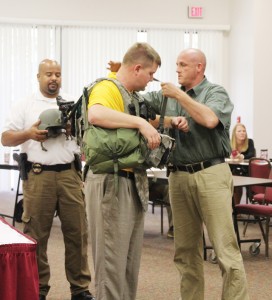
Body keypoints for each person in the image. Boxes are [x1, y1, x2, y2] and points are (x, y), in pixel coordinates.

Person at [143, 48, 250, 300]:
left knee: (225, 249)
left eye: (182, 65)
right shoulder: (166, 96)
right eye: (176, 64)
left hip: (210, 173)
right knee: (185, 251)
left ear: (199, 67)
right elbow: (136, 103)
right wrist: (119, 75)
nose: (177, 69)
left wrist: (180, 96)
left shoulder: (215, 92)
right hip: (178, 177)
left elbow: (210, 119)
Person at [84, 42, 175, 300]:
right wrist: (140, 124)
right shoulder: (107, 87)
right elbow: (96, 114)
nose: (151, 81)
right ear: (137, 68)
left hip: (131, 179)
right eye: (150, 74)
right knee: (111, 265)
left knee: (128, 264)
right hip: (110, 181)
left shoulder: (130, 95)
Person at [1, 59, 95, 300]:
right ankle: (38, 289)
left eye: (58, 74)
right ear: (38, 76)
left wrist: (75, 130)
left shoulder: (72, 104)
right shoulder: (25, 104)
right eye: (49, 74)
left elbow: (88, 138)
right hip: (38, 175)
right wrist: (29, 134)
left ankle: (80, 289)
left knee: (78, 232)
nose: (54, 78)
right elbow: (6, 138)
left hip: (70, 176)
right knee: (36, 235)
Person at [230, 123, 256, 204]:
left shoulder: (250, 141)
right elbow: (227, 155)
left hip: (246, 171)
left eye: (244, 131)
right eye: (239, 131)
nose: (242, 133)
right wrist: (232, 157)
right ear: (235, 133)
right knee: (234, 183)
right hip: (233, 170)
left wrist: (242, 156)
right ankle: (234, 208)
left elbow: (252, 154)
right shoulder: (230, 143)